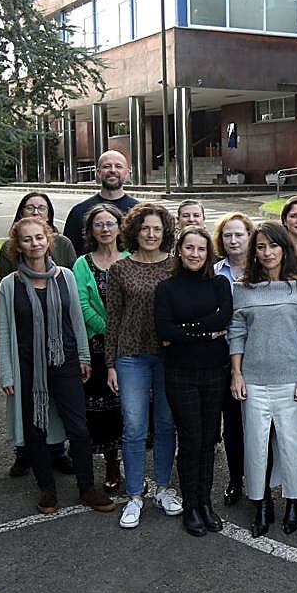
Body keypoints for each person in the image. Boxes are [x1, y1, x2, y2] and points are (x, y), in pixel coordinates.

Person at [0, 217, 115, 515]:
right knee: (36, 429)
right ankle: (47, 489)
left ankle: (87, 487)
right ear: (17, 246)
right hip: (28, 367)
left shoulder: (65, 276)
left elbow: (76, 319)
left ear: (49, 240)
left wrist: (84, 357)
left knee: (79, 427)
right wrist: (7, 372)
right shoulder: (9, 285)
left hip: (66, 361)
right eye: (27, 239)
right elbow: (3, 331)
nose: (34, 243)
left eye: (39, 237)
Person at [228, 222, 297, 537]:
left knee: (293, 444)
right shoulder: (243, 288)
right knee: (255, 445)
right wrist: (236, 373)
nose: (267, 253)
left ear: (285, 248)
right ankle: (261, 503)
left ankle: (293, 502)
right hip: (253, 380)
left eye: (273, 246)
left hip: (291, 378)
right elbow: (237, 332)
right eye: (261, 247)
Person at [105, 202, 182, 529]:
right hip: (131, 356)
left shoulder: (176, 267)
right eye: (145, 228)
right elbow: (113, 320)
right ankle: (135, 495)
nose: (151, 234)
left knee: (165, 425)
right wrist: (110, 363)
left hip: (169, 357)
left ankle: (164, 488)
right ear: (134, 231)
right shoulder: (119, 269)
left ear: (164, 233)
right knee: (135, 427)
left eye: (157, 229)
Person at [155, 226, 233, 537]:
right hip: (180, 374)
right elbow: (164, 330)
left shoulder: (220, 284)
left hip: (215, 370)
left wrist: (185, 330)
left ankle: (205, 503)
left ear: (208, 253)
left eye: (201, 249)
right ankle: (191, 506)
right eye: (189, 248)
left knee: (208, 440)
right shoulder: (167, 287)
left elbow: (223, 317)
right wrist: (203, 332)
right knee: (190, 440)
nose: (195, 254)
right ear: (180, 250)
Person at [0, 192, 77, 479]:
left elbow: (72, 292)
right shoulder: (11, 265)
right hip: (27, 343)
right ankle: (26, 454)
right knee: (28, 401)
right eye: (30, 207)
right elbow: (6, 293)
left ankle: (57, 452)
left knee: (59, 403)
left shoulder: (64, 247)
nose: (35, 210)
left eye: (41, 207)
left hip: (58, 344)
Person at [72, 204, 129, 493]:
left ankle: (127, 460)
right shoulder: (83, 264)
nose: (105, 229)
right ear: (91, 230)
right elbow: (81, 304)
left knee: (127, 405)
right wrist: (110, 331)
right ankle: (109, 461)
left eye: (110, 223)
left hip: (131, 347)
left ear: (120, 227)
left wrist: (122, 334)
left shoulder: (131, 259)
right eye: (99, 224)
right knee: (102, 408)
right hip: (96, 346)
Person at [212, 212, 255, 504]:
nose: (233, 240)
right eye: (228, 235)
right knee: (234, 423)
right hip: (224, 357)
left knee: (262, 423)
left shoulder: (263, 270)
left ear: (250, 237)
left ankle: (260, 479)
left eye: (239, 234)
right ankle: (236, 478)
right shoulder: (214, 272)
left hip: (260, 356)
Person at [62, 150, 138, 249]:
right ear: (98, 172)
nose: (113, 170)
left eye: (118, 166)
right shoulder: (79, 212)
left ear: (127, 173)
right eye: (107, 166)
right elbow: (69, 251)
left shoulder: (137, 211)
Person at [0, 192, 78, 282]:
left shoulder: (63, 243)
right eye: (29, 208)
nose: (35, 212)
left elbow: (75, 281)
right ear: (21, 213)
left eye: (41, 208)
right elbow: (3, 284)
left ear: (48, 215)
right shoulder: (8, 247)